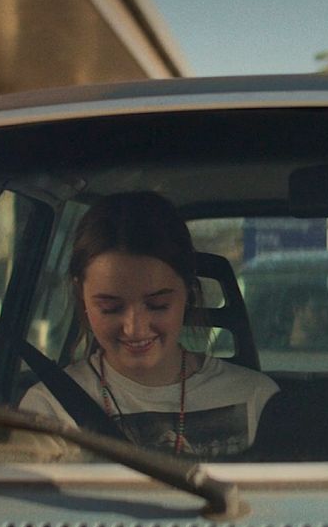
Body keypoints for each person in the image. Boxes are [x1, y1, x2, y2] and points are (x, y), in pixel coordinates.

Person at [18, 191, 279, 458]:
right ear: (81, 294)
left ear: (188, 291)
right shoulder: (49, 408)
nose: (135, 328)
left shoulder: (256, 398)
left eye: (158, 305)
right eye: (110, 307)